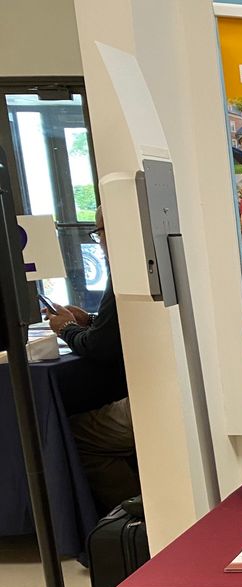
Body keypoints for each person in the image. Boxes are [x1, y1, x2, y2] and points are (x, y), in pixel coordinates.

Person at [44, 205, 141, 512]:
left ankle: (134, 521)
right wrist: (91, 321)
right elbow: (114, 331)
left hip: (151, 400)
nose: (99, 241)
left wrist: (67, 329)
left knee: (78, 435)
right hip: (160, 390)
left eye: (99, 232)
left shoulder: (126, 270)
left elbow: (101, 348)